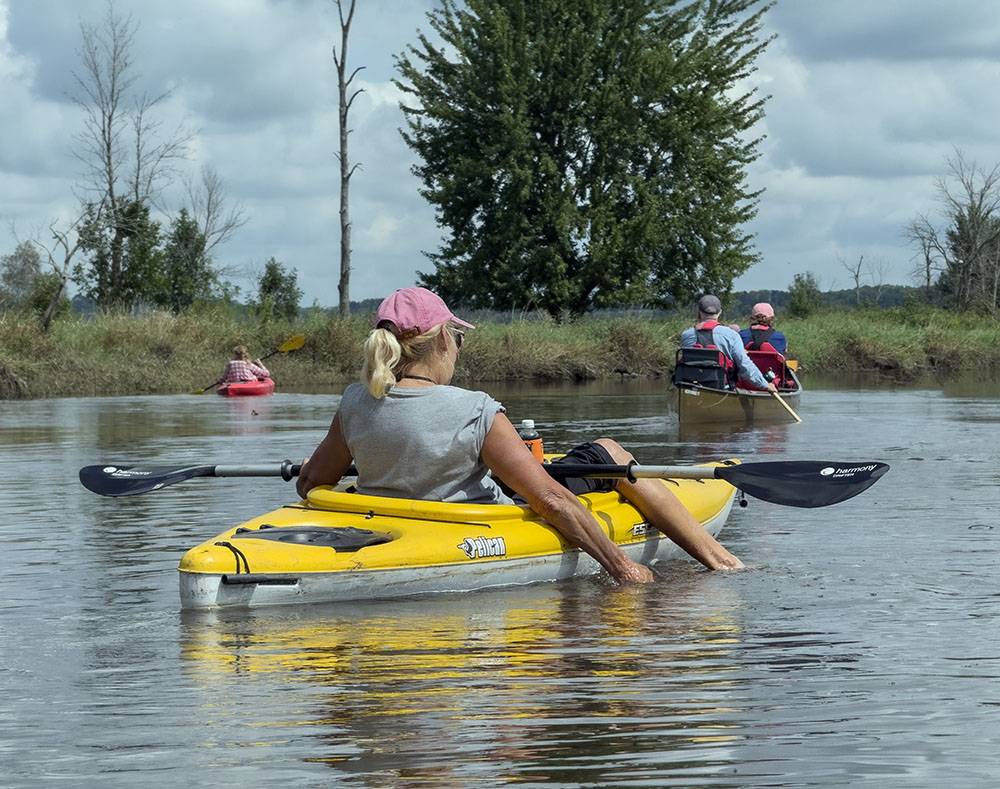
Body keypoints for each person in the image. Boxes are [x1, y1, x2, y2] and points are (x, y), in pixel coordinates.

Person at [296, 286, 743, 584]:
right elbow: (550, 501)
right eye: (457, 338)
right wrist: (623, 568)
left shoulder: (356, 400)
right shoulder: (474, 408)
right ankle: (723, 562)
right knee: (608, 451)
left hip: (391, 517)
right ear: (441, 343)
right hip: (477, 524)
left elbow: (312, 482)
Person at [680, 295, 777, 393]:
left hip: (691, 386)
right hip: (722, 389)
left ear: (699, 313)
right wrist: (764, 384)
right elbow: (744, 365)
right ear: (720, 312)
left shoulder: (686, 335)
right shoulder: (731, 335)